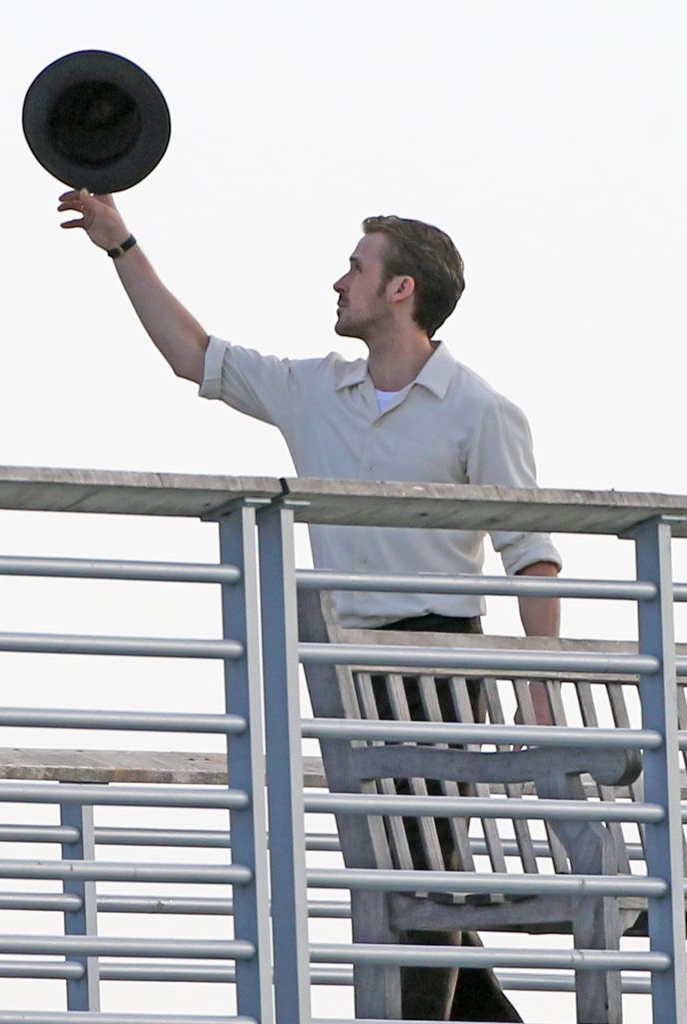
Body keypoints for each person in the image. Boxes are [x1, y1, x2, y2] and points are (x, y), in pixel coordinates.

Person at [57, 191, 562, 1021]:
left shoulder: (481, 409)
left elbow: (533, 554)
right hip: (345, 667)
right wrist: (122, 245)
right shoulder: (317, 390)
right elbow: (196, 355)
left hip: (440, 663)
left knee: (418, 877)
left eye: (357, 268)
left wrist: (539, 686)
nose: (338, 282)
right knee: (407, 873)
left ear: (402, 290)